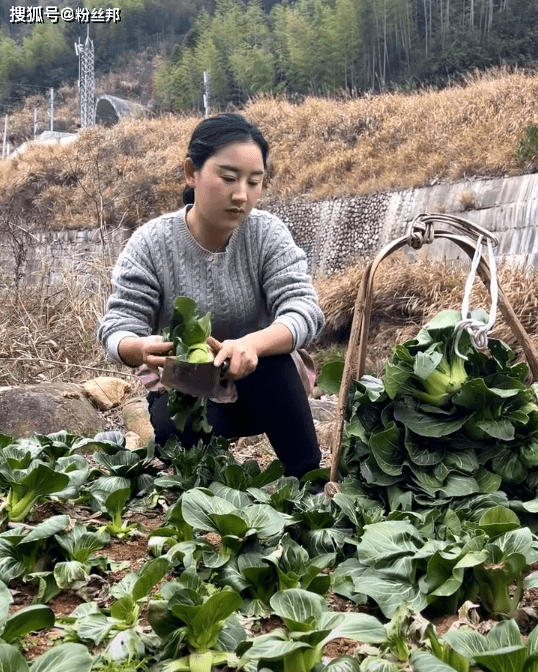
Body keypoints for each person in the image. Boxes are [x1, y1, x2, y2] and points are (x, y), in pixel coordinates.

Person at [98, 112, 325, 478]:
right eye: (229, 178)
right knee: (175, 430)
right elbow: (118, 325)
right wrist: (137, 348)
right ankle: (205, 481)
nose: (241, 195)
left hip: (266, 388)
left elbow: (304, 310)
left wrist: (252, 344)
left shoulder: (267, 235)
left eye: (255, 182)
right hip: (189, 387)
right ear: (192, 172)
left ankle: (309, 478)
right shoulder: (152, 244)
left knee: (275, 364)